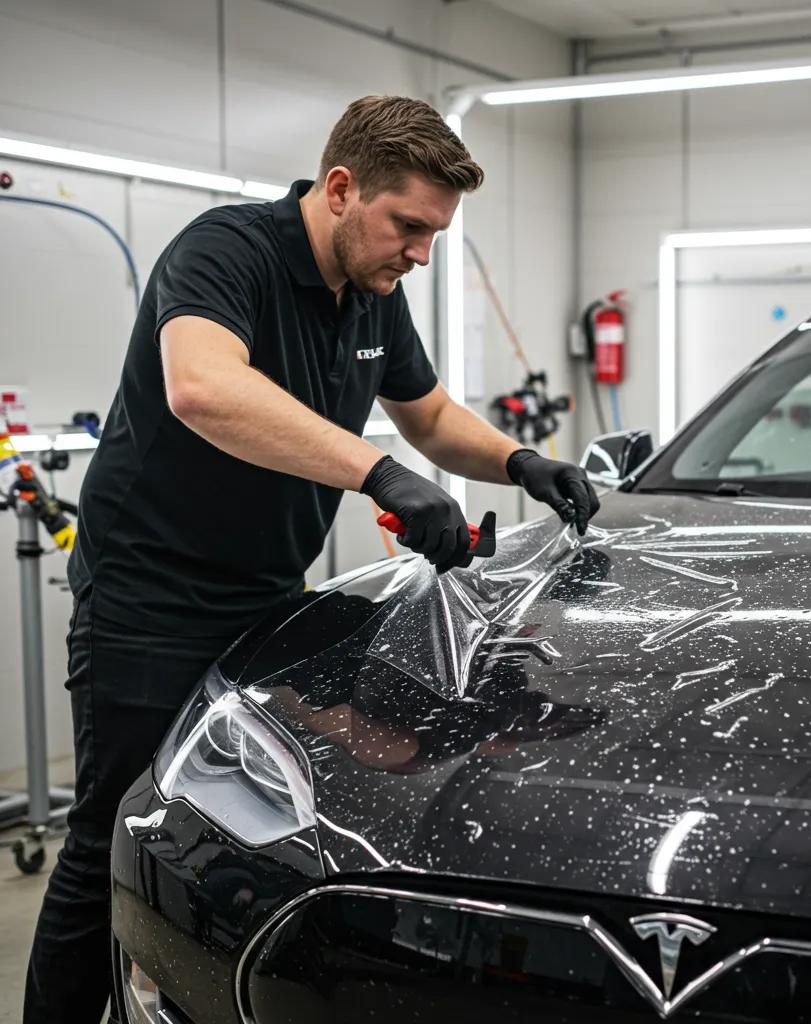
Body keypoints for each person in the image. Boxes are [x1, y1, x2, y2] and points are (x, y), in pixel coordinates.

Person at [23, 94, 599, 1024]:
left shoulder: (374, 294)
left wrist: (521, 461)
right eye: (407, 225)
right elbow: (203, 389)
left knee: (256, 829)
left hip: (268, 598)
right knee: (109, 839)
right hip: (150, 600)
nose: (419, 252)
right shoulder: (225, 253)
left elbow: (433, 416)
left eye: (434, 235)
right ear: (340, 189)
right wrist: (379, 473)